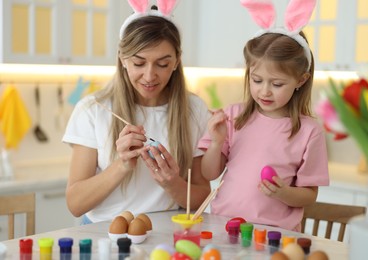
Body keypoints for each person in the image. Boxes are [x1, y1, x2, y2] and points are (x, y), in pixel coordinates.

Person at [62, 1, 210, 224]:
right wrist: (121, 165)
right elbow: (75, 205)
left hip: (167, 233)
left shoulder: (194, 110)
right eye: (139, 63)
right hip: (106, 233)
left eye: (162, 64)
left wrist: (173, 183)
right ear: (123, 58)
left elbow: (204, 199)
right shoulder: (92, 110)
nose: (150, 76)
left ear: (177, 61)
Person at [198, 0, 329, 231]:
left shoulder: (309, 131)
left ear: (301, 80)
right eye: (257, 80)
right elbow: (209, 173)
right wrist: (216, 142)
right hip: (224, 224)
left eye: (277, 83)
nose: (264, 91)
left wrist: (283, 193)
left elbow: (310, 195)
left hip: (273, 232)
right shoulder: (234, 116)